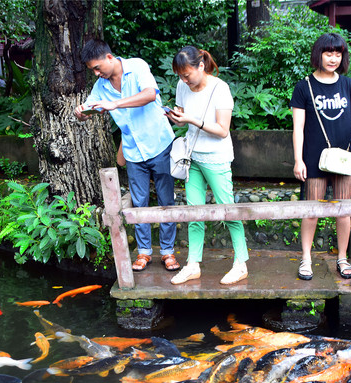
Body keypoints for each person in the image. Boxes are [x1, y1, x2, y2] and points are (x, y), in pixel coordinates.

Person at [74, 39, 179, 273]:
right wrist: (81, 112)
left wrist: (115, 104)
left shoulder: (137, 66)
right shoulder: (101, 86)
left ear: (109, 57)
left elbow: (150, 94)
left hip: (160, 144)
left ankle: (168, 252)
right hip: (133, 150)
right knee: (138, 203)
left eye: (97, 67)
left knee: (165, 200)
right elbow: (90, 107)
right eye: (93, 70)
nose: (96, 73)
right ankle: (144, 253)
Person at [290, 33, 351, 281]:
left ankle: (342, 257)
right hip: (313, 159)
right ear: (318, 54)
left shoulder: (348, 85)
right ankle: (306, 258)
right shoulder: (304, 86)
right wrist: (299, 160)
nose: (333, 59)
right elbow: (298, 127)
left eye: (338, 54)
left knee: (344, 210)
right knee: (311, 210)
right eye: (328, 53)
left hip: (344, 159)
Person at [165, 46, 248, 286]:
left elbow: (222, 130)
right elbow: (182, 111)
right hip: (192, 156)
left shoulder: (220, 89)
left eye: (187, 74)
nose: (183, 80)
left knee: (228, 209)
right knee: (194, 212)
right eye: (180, 75)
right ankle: (193, 265)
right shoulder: (183, 86)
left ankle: (241, 263)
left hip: (216, 157)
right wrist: (175, 115)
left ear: (201, 66)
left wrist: (191, 119)